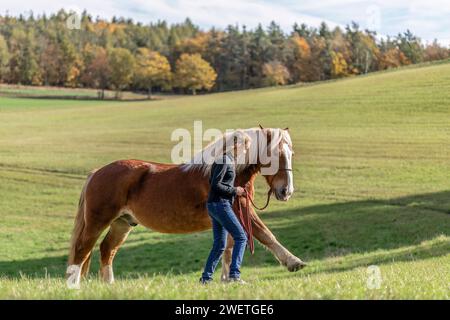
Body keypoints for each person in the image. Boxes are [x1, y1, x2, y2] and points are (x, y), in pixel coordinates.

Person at [200, 133, 250, 284]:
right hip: (220, 205)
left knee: (220, 245)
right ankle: (234, 275)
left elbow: (212, 180)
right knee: (241, 237)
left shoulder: (226, 160)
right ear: (238, 145)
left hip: (216, 205)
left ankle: (206, 279)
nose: (245, 152)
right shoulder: (224, 161)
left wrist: (234, 190)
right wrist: (235, 190)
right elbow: (215, 184)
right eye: (245, 148)